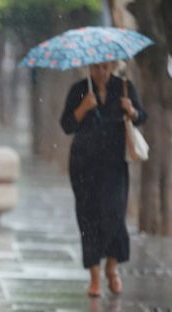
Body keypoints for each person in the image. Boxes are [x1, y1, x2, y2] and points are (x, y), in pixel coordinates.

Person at [60, 62, 147, 297]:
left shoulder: (124, 87)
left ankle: (112, 267)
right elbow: (67, 125)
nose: (101, 72)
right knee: (88, 217)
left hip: (114, 164)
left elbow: (141, 117)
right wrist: (83, 108)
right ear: (89, 68)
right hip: (83, 164)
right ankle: (95, 276)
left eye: (106, 67)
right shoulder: (79, 89)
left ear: (113, 67)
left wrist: (131, 110)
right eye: (97, 68)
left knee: (114, 214)